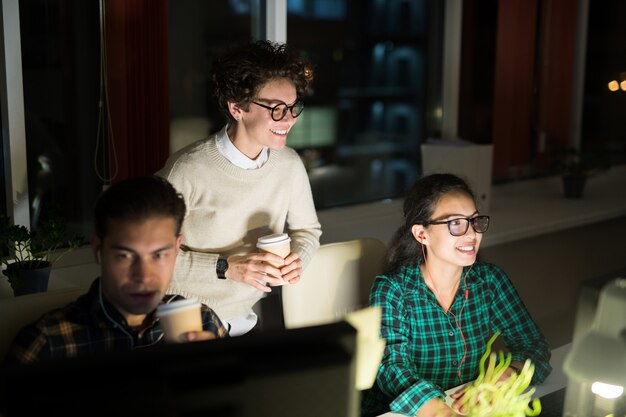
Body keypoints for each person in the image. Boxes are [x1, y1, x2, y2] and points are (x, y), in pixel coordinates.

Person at [156, 40, 321, 336]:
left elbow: (308, 231)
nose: (289, 119)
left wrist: (298, 259)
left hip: (245, 317)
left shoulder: (289, 165)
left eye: (293, 106)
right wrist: (226, 268)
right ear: (237, 108)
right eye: (276, 109)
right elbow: (152, 257)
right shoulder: (187, 169)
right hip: (183, 316)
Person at [361, 173, 552, 417]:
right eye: (455, 223)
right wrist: (440, 410)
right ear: (422, 234)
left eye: (475, 221)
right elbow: (391, 368)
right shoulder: (392, 289)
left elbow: (534, 345)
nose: (472, 234)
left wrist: (507, 375)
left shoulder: (489, 281)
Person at [5, 176, 228, 365]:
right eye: (125, 256)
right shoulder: (46, 344)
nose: (144, 275)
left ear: (177, 248)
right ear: (98, 250)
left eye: (159, 255)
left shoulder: (203, 322)